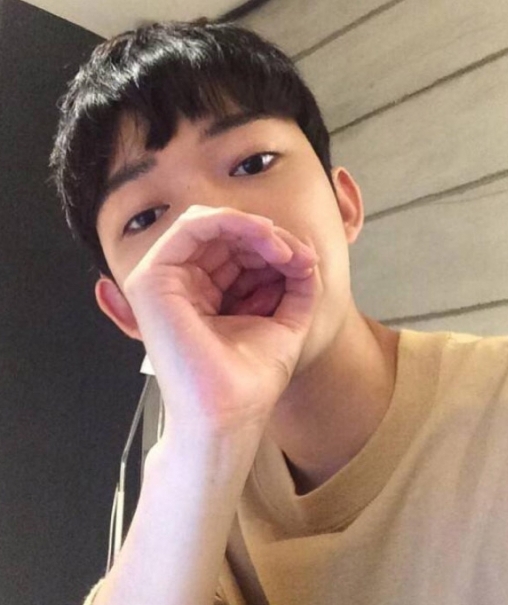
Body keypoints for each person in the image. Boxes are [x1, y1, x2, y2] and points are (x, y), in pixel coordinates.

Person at [51, 20, 508, 605]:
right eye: (145, 217)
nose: (215, 226)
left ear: (344, 204)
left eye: (253, 163)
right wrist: (206, 438)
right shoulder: (196, 504)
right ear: (128, 314)